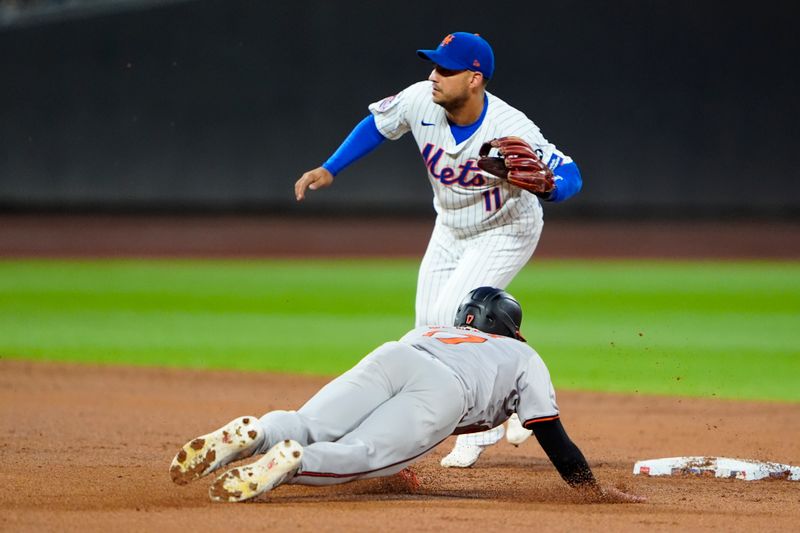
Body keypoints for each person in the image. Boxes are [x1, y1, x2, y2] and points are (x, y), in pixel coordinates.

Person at [293, 32, 583, 468]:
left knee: (454, 315)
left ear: (474, 79)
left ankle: (483, 423)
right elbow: (377, 124)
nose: (434, 75)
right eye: (434, 66)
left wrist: (552, 188)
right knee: (427, 332)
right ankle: (481, 405)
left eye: (445, 69)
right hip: (449, 227)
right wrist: (331, 168)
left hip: (505, 228)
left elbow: (571, 173)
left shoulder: (508, 126)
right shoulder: (419, 100)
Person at [169, 287, 643, 504]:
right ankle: (292, 462)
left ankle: (261, 432)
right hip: (445, 391)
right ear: (510, 328)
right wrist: (591, 490)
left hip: (397, 353)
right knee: (364, 453)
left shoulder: (437, 329)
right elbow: (549, 433)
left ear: (469, 318)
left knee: (308, 422)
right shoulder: (522, 356)